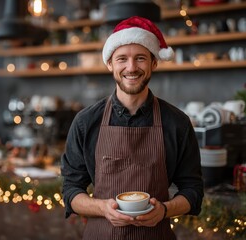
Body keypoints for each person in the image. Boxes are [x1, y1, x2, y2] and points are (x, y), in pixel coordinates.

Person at [61, 16, 204, 240]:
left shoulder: (177, 123)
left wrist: (164, 211)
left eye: (140, 58)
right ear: (110, 64)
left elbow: (193, 191)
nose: (131, 67)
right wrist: (102, 209)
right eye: (122, 59)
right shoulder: (85, 122)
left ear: (153, 63)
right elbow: (71, 191)